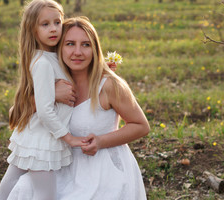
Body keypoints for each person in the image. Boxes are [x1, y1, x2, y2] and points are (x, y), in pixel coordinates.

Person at [8, 16, 150, 200]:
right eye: (69, 44)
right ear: (59, 48)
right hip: (63, 167)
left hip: (103, 170)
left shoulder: (109, 85)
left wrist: (100, 141)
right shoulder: (51, 78)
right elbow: (14, 116)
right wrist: (50, 95)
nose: (77, 52)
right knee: (25, 188)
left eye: (85, 45)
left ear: (95, 49)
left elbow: (141, 126)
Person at [0, 0, 87, 200]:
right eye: (45, 24)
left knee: (7, 186)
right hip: (44, 140)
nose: (53, 29)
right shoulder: (43, 63)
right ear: (32, 30)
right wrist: (68, 137)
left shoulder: (53, 56)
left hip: (34, 135)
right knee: (46, 195)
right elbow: (44, 110)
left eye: (57, 22)